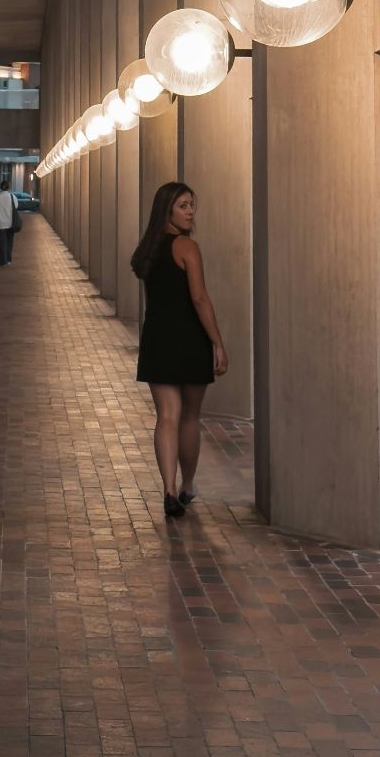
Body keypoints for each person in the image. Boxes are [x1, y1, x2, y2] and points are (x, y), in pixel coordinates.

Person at [131, 182, 228, 518]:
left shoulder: (147, 248)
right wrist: (217, 341)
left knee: (166, 416)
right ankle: (187, 486)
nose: (190, 212)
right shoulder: (186, 247)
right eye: (184, 205)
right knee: (189, 416)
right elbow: (200, 299)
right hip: (188, 338)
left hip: (157, 338)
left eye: (191, 205)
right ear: (167, 210)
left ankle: (168, 489)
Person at [0, 189, 17, 266]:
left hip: (0, 223)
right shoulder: (12, 197)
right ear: (8, 188)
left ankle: (2, 261)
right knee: (9, 242)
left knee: (1, 243)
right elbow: (16, 206)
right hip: (10, 223)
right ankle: (8, 260)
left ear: (1, 188)